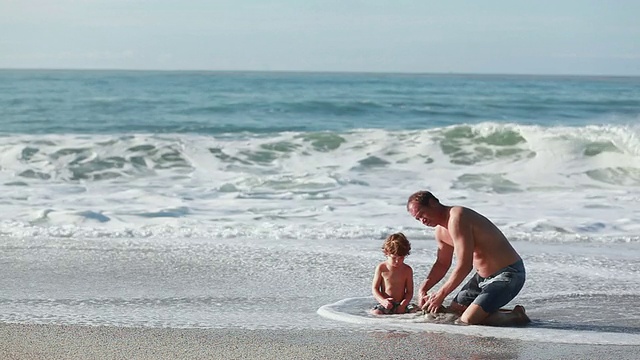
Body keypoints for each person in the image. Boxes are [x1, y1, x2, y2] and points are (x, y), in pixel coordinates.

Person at [406, 191, 530, 326]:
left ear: (433, 203)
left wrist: (441, 294)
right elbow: (442, 264)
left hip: (509, 274)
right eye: (418, 219)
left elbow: (465, 266)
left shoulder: (457, 217)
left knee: (468, 320)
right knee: (453, 313)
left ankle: (516, 315)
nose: (422, 220)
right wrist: (423, 289)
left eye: (422, 214)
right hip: (481, 278)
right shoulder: (440, 231)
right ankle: (487, 310)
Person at [371, 233, 418, 315]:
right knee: (376, 312)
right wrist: (383, 301)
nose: (397, 261)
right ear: (386, 253)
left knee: (417, 312)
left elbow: (409, 292)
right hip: (386, 303)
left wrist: (403, 305)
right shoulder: (382, 268)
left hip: (401, 303)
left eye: (401, 258)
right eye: (394, 258)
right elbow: (375, 289)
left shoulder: (407, 270)